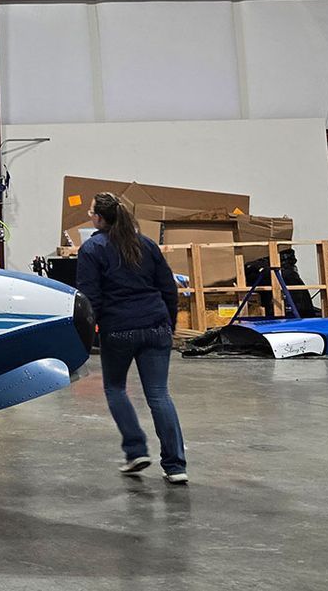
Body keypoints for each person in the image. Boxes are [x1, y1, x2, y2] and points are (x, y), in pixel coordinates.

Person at [77, 192, 188, 485]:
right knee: (159, 395)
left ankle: (136, 450)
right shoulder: (146, 244)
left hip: (119, 329)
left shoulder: (92, 249)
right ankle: (176, 466)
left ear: (99, 219)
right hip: (156, 325)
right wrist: (169, 325)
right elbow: (168, 288)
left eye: (90, 212)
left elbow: (91, 299)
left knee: (115, 389)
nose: (90, 216)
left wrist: (88, 336)